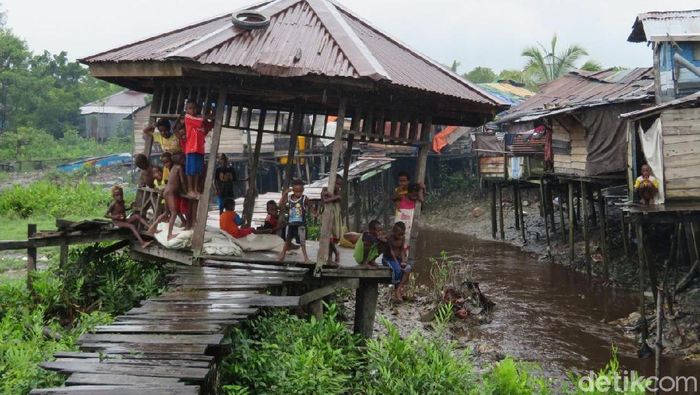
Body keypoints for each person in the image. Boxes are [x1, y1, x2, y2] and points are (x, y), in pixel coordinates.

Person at [184, 101, 214, 198]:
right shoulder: (188, 117)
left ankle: (196, 188)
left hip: (200, 149)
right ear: (186, 110)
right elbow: (201, 120)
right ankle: (190, 189)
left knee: (197, 170)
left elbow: (208, 126)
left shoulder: (199, 120)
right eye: (190, 108)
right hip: (191, 148)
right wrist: (207, 116)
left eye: (194, 108)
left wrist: (212, 118)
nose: (192, 110)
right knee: (190, 170)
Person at [278, 179, 309, 262]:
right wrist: (285, 193)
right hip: (291, 224)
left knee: (302, 242)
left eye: (300, 192)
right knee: (288, 240)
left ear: (303, 190)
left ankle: (306, 258)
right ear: (293, 190)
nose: (298, 194)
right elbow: (280, 204)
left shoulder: (304, 198)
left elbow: (311, 208)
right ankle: (282, 255)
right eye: (296, 192)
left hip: (301, 224)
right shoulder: (289, 198)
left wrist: (315, 213)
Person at [383, 221, 411, 301]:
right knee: (397, 269)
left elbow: (402, 250)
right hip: (388, 259)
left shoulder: (402, 238)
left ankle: (399, 289)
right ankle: (396, 290)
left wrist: (403, 261)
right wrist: (398, 264)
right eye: (399, 234)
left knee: (408, 268)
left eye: (403, 234)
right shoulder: (389, 238)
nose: (401, 236)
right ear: (394, 232)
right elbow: (391, 253)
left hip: (398, 259)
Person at [321, 175, 345, 267]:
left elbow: (330, 199)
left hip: (335, 218)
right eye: (337, 183)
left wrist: (331, 196)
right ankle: (335, 252)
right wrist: (333, 197)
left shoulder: (338, 193)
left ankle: (330, 258)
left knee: (332, 239)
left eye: (340, 184)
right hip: (327, 216)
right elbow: (324, 200)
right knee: (328, 238)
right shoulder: (324, 190)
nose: (338, 186)